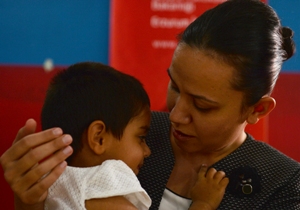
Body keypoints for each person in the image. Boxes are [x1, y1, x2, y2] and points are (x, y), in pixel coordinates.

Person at [1, 0, 300, 209]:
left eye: (202, 106)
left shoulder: (283, 185)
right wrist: (30, 199)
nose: (177, 114)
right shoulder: (123, 133)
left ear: (256, 109)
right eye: (175, 86)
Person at [1, 61, 228, 210]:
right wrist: (203, 203)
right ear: (99, 138)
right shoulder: (108, 193)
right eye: (140, 137)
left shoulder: (52, 187)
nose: (148, 150)